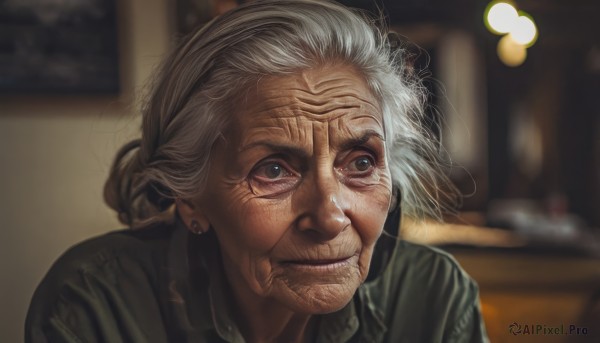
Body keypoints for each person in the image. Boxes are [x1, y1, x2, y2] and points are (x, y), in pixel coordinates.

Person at [25, 1, 489, 342]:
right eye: (273, 170)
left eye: (361, 163)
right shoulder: (98, 304)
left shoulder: (432, 297)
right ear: (189, 197)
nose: (329, 217)